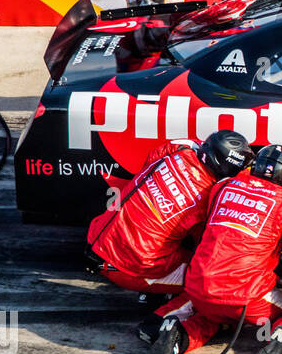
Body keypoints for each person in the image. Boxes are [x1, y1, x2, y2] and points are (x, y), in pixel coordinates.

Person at [148, 145, 282, 354]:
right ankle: (281, 340)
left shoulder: (222, 186)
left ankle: (178, 339)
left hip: (199, 287)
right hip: (247, 297)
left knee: (211, 319)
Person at [86, 131, 254, 336]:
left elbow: (150, 159)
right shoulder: (208, 197)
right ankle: (157, 323)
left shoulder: (178, 149)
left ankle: (153, 294)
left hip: (97, 237)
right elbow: (209, 243)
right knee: (210, 279)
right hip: (128, 268)